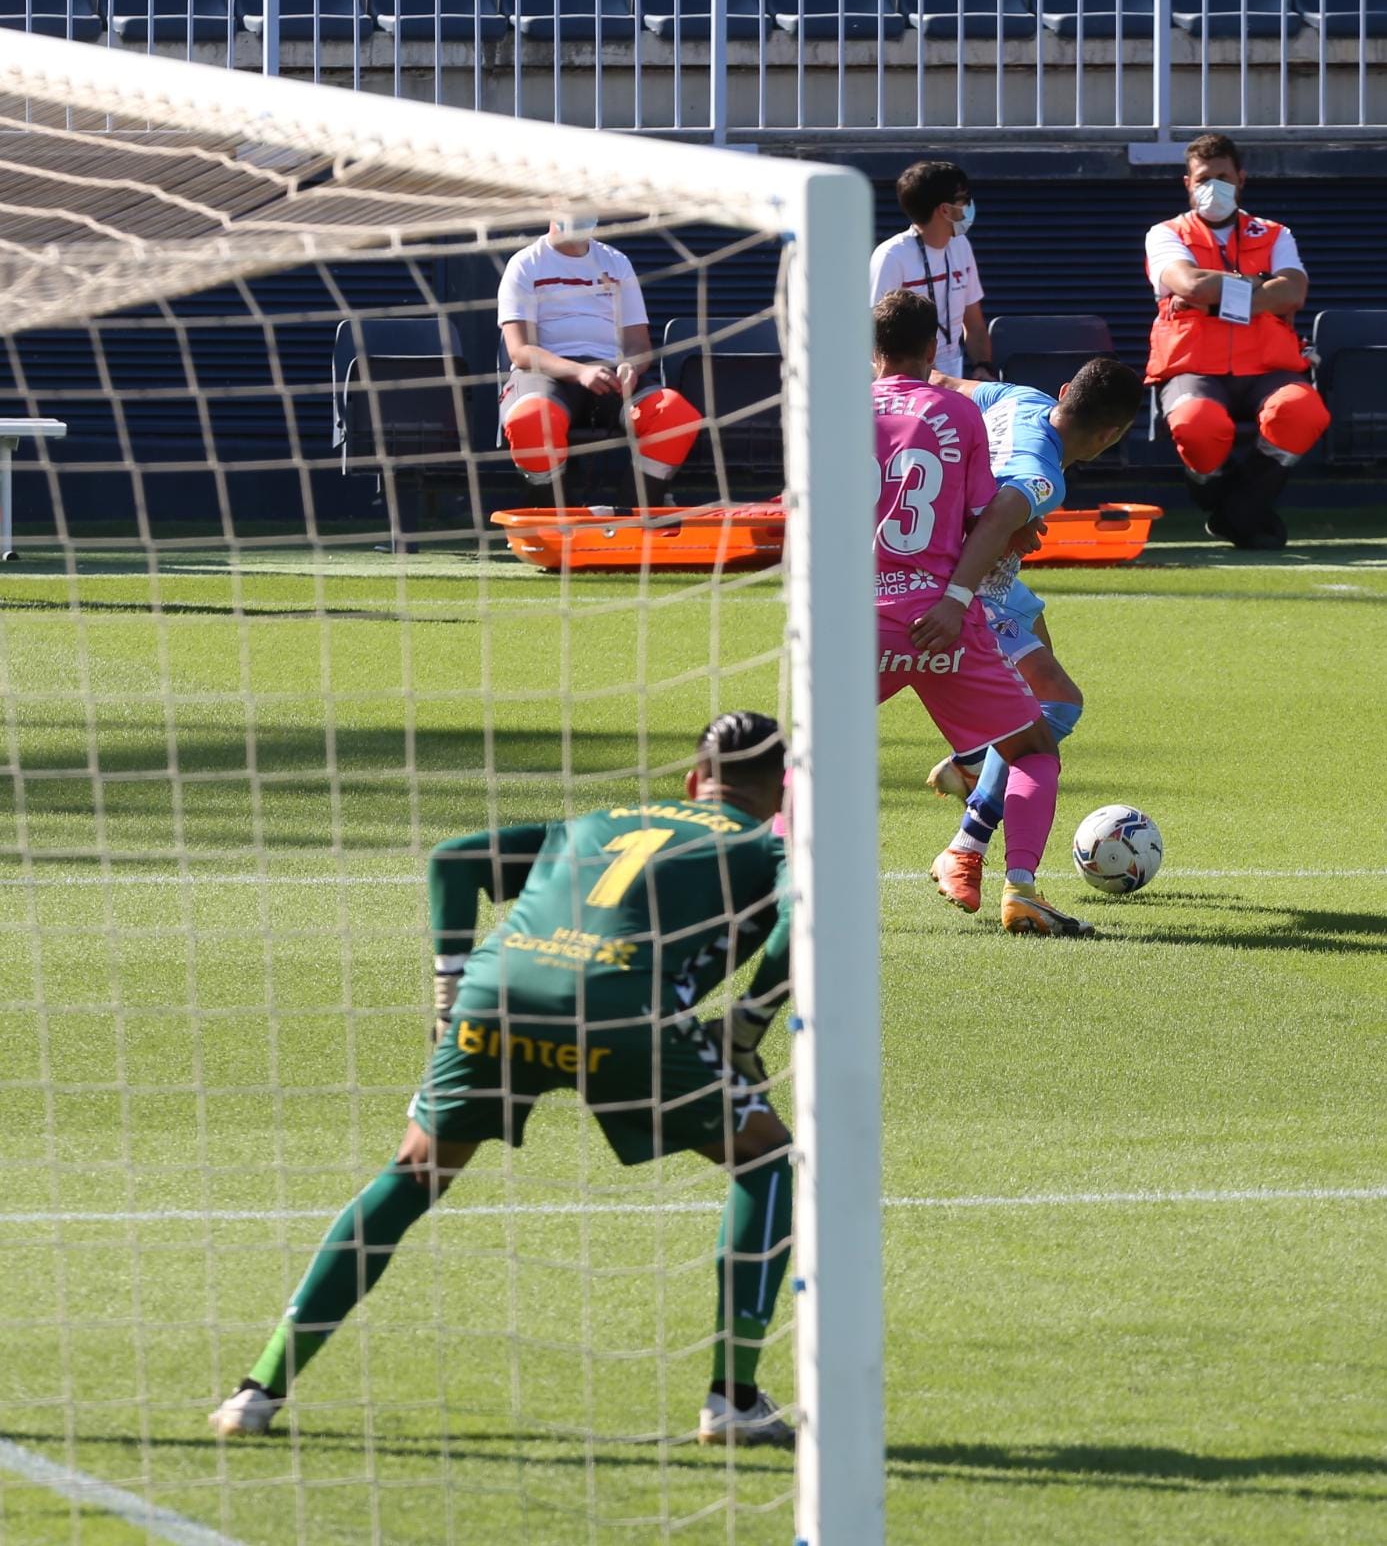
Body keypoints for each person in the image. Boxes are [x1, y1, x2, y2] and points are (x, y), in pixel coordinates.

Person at [209, 712, 797, 1450]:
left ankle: (257, 1390)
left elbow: (455, 859)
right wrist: (745, 1028)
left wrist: (447, 990)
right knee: (765, 1159)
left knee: (415, 1171)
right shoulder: (763, 846)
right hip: (620, 1008)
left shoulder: (600, 819)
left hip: (497, 994)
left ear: (690, 779)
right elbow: (801, 912)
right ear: (779, 789)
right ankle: (732, 1399)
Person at [872, 289, 1092, 938]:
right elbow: (982, 514)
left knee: (803, 753)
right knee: (1034, 742)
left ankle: (762, 882)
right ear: (933, 345)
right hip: (944, 619)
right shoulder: (960, 414)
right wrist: (961, 590)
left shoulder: (829, 409)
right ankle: (1018, 887)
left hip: (857, 617)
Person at [923, 358, 1145, 917]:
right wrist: (1003, 524)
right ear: (1112, 434)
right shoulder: (1043, 472)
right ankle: (970, 847)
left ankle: (975, 759)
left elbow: (940, 382)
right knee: (1054, 703)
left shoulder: (1020, 399)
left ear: (1064, 391)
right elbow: (998, 511)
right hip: (964, 586)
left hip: (995, 586)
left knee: (1041, 665)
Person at [1145, 133, 1330, 549]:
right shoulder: (1165, 234)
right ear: (1188, 183)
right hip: (1192, 366)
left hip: (1268, 366)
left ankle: (1236, 513)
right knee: (1197, 425)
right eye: (1204, 178)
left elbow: (1293, 293)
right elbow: (1189, 283)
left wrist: (1215, 295)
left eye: (1223, 177)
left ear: (1241, 179)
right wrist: (1261, 287)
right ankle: (1228, 502)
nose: (1213, 187)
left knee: (1301, 411)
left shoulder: (1275, 234)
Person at [497, 213, 700, 504]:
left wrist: (632, 365)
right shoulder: (525, 263)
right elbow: (520, 350)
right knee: (530, 421)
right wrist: (579, 372)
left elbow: (638, 344)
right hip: (545, 373)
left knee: (675, 415)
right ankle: (555, 515)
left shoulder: (617, 262)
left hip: (611, 374)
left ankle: (633, 514)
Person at [869, 160, 995, 382]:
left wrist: (983, 366)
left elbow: (974, 324)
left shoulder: (961, 246)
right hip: (907, 381)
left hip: (953, 379)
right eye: (964, 199)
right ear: (945, 210)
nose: (969, 205)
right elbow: (874, 338)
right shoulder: (891, 256)